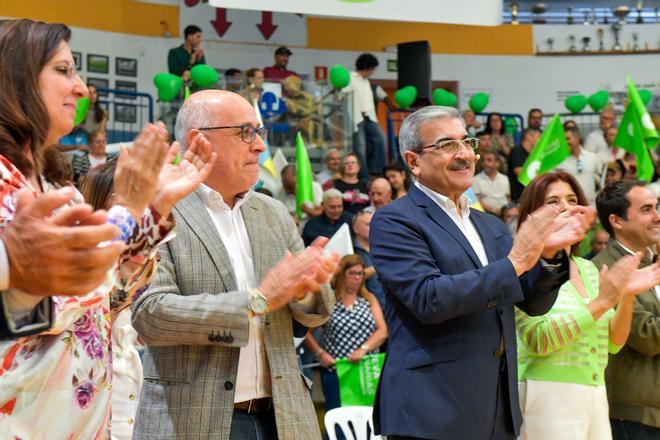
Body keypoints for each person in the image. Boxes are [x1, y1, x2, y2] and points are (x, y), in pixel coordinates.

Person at [0, 19, 216, 438]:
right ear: (15, 79)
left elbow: (108, 302)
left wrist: (153, 208)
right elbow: (57, 297)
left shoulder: (54, 187)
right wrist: (130, 208)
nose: (80, 88)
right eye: (63, 71)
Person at [369, 106, 593, 440]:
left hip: (496, 406)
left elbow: (531, 302)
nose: (464, 155)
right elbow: (430, 299)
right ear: (413, 160)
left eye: (467, 142)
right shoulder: (395, 220)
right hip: (432, 409)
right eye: (447, 145)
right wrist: (517, 261)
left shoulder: (489, 224)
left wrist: (547, 254)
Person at [131, 90, 339, 440]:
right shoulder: (160, 209)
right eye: (246, 132)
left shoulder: (272, 212)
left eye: (259, 132)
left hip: (284, 416)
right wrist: (257, 300)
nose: (259, 145)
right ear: (200, 139)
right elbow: (151, 315)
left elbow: (316, 312)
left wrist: (305, 293)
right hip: (192, 417)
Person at [514, 172, 660, 440]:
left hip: (595, 391)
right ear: (532, 214)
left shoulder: (588, 268)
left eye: (572, 199)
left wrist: (626, 296)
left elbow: (612, 343)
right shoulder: (522, 265)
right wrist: (603, 302)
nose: (568, 208)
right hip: (547, 392)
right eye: (554, 201)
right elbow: (540, 339)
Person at [592, 180, 660, 440]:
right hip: (632, 415)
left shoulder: (650, 260)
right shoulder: (604, 269)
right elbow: (648, 336)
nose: (657, 216)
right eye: (646, 210)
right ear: (617, 221)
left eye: (656, 207)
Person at [303, 254, 387, 412]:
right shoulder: (329, 301)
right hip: (337, 371)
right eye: (352, 273)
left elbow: (382, 331)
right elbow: (305, 331)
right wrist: (320, 353)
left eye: (360, 273)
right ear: (342, 275)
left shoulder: (369, 299)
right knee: (339, 419)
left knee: (368, 421)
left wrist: (364, 348)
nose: (357, 278)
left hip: (366, 371)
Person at [341, 53, 389, 179]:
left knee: (381, 139)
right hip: (356, 118)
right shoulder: (350, 77)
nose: (373, 72)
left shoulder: (366, 82)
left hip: (370, 117)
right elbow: (342, 93)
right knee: (360, 147)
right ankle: (364, 176)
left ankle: (376, 170)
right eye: (372, 69)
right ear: (367, 67)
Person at [557, 126, 601, 205]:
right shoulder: (558, 161)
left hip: (591, 205)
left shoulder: (592, 157)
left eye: (567, 139)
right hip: (571, 206)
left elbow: (601, 178)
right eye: (563, 140)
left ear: (577, 139)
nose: (565, 142)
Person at [351, 210, 385, 306]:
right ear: (356, 228)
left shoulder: (383, 246)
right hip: (366, 306)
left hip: (390, 304)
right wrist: (380, 266)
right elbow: (352, 277)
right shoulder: (350, 250)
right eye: (368, 225)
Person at [473, 149, 511, 216]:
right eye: (484, 160)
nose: (485, 163)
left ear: (497, 163)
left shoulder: (505, 178)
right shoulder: (476, 179)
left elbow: (508, 198)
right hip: (485, 215)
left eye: (489, 160)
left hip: (504, 215)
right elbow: (477, 200)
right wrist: (493, 210)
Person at [507, 128, 540, 202]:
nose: (540, 140)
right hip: (519, 197)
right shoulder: (516, 151)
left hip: (531, 196)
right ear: (529, 136)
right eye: (538, 137)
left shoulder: (533, 154)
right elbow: (520, 173)